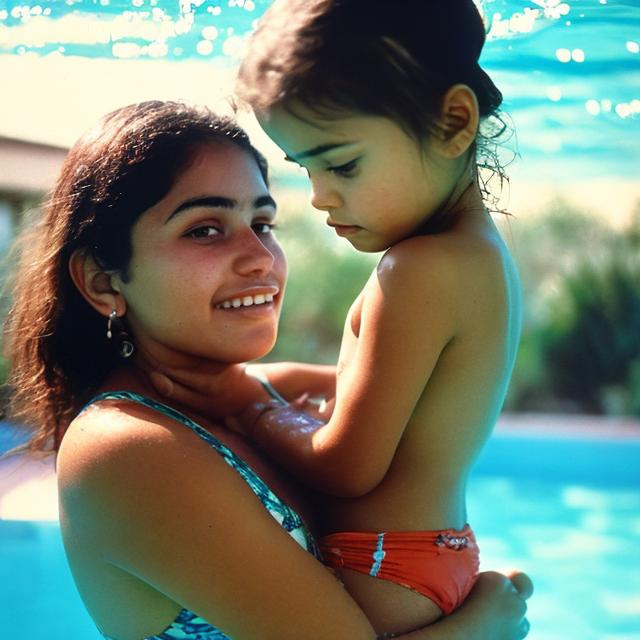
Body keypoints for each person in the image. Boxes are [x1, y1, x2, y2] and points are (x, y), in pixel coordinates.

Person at [3, 100, 530, 640]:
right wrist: (483, 627)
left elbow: (445, 405)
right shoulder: (127, 449)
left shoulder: (253, 395)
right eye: (205, 230)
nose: (259, 257)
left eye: (262, 221)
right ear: (102, 282)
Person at [150, 1, 525, 637]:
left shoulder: (417, 272)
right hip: (429, 555)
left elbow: (349, 464)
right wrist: (268, 379)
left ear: (453, 122)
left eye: (342, 164)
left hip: (382, 564)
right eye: (307, 169)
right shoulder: (482, 261)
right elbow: (398, 393)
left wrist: (260, 413)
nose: (321, 196)